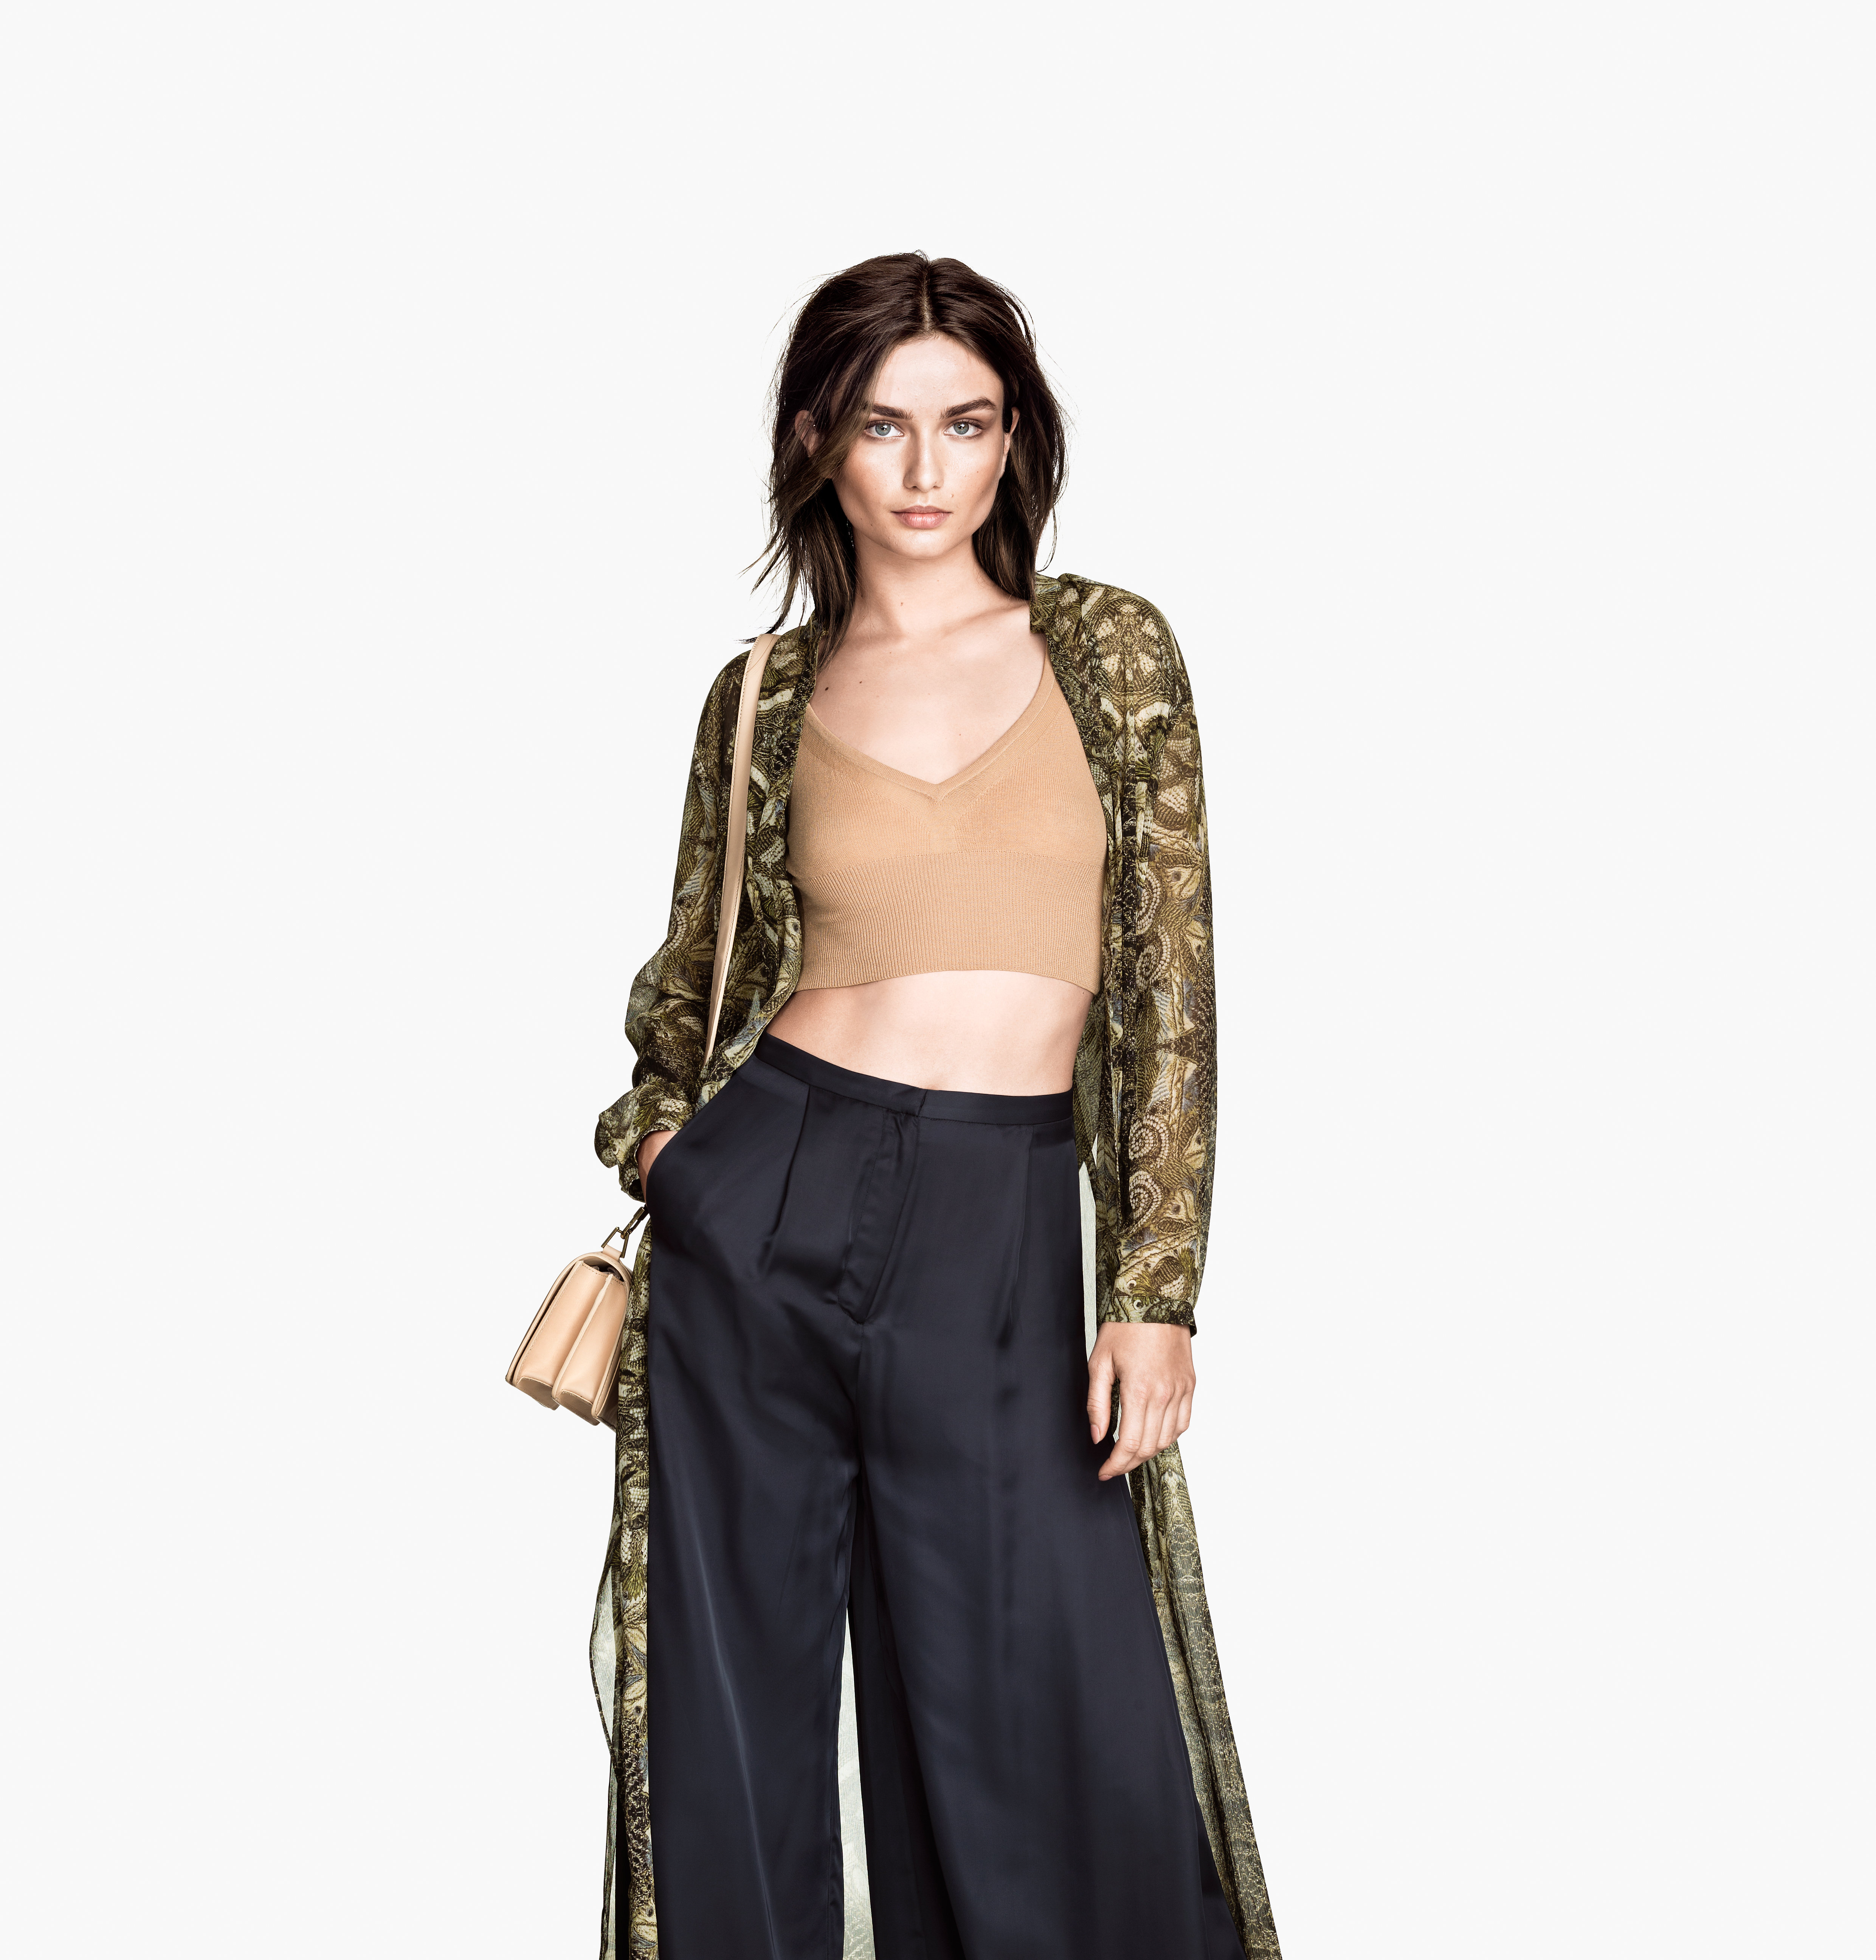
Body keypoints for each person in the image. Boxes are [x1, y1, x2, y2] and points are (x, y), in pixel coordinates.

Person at [591, 252, 1280, 1960]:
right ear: (815, 441)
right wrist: (672, 1155)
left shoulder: (1106, 649)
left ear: (1012, 441)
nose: (922, 469)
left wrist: (1154, 1287)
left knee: (1050, 1719)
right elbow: (689, 987)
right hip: (768, 1199)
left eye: (963, 424)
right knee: (733, 1725)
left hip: (999, 1216)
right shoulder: (763, 696)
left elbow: (1171, 983)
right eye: (881, 425)